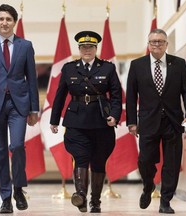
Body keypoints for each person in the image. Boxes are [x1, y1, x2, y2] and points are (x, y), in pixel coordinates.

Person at [0, 4, 39, 214]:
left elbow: (32, 78)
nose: (4, 23)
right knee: (0, 152)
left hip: (18, 104)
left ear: (15, 22)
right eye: (1, 19)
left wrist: (34, 109)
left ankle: (18, 188)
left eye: (8, 19)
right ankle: (5, 197)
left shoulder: (25, 46)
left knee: (17, 146)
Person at [50, 31, 122, 213]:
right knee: (80, 158)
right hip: (76, 121)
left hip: (101, 121)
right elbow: (59, 96)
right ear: (79, 49)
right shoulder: (69, 68)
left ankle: (95, 201)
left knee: (98, 161)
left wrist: (115, 115)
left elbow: (116, 95)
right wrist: (54, 120)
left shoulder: (107, 68)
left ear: (96, 48)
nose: (87, 50)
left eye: (90, 47)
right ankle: (80, 195)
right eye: (83, 47)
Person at [126, 29, 186, 214]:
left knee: (172, 164)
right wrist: (131, 122)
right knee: (145, 160)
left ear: (166, 44)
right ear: (148, 44)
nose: (156, 44)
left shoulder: (178, 64)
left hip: (173, 122)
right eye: (153, 41)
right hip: (147, 122)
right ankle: (148, 186)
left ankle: (165, 201)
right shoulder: (137, 65)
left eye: (160, 41)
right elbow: (131, 97)